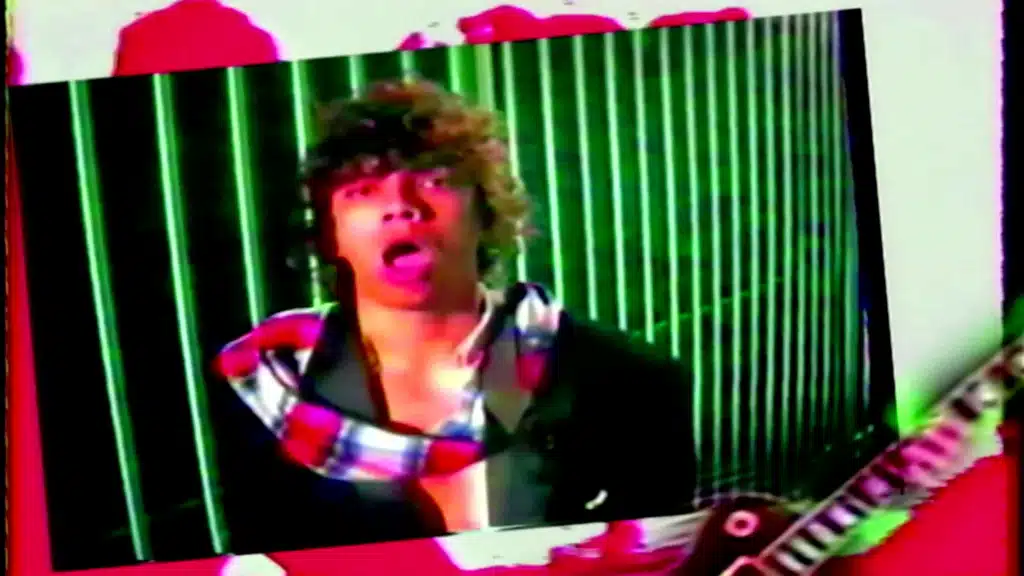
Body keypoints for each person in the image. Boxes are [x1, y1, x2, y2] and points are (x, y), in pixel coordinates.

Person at [211, 78, 698, 556]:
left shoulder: (631, 380)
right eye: (362, 190)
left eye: (435, 182)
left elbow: (658, 560)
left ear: (485, 214)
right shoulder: (266, 381)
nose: (401, 206)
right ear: (329, 234)